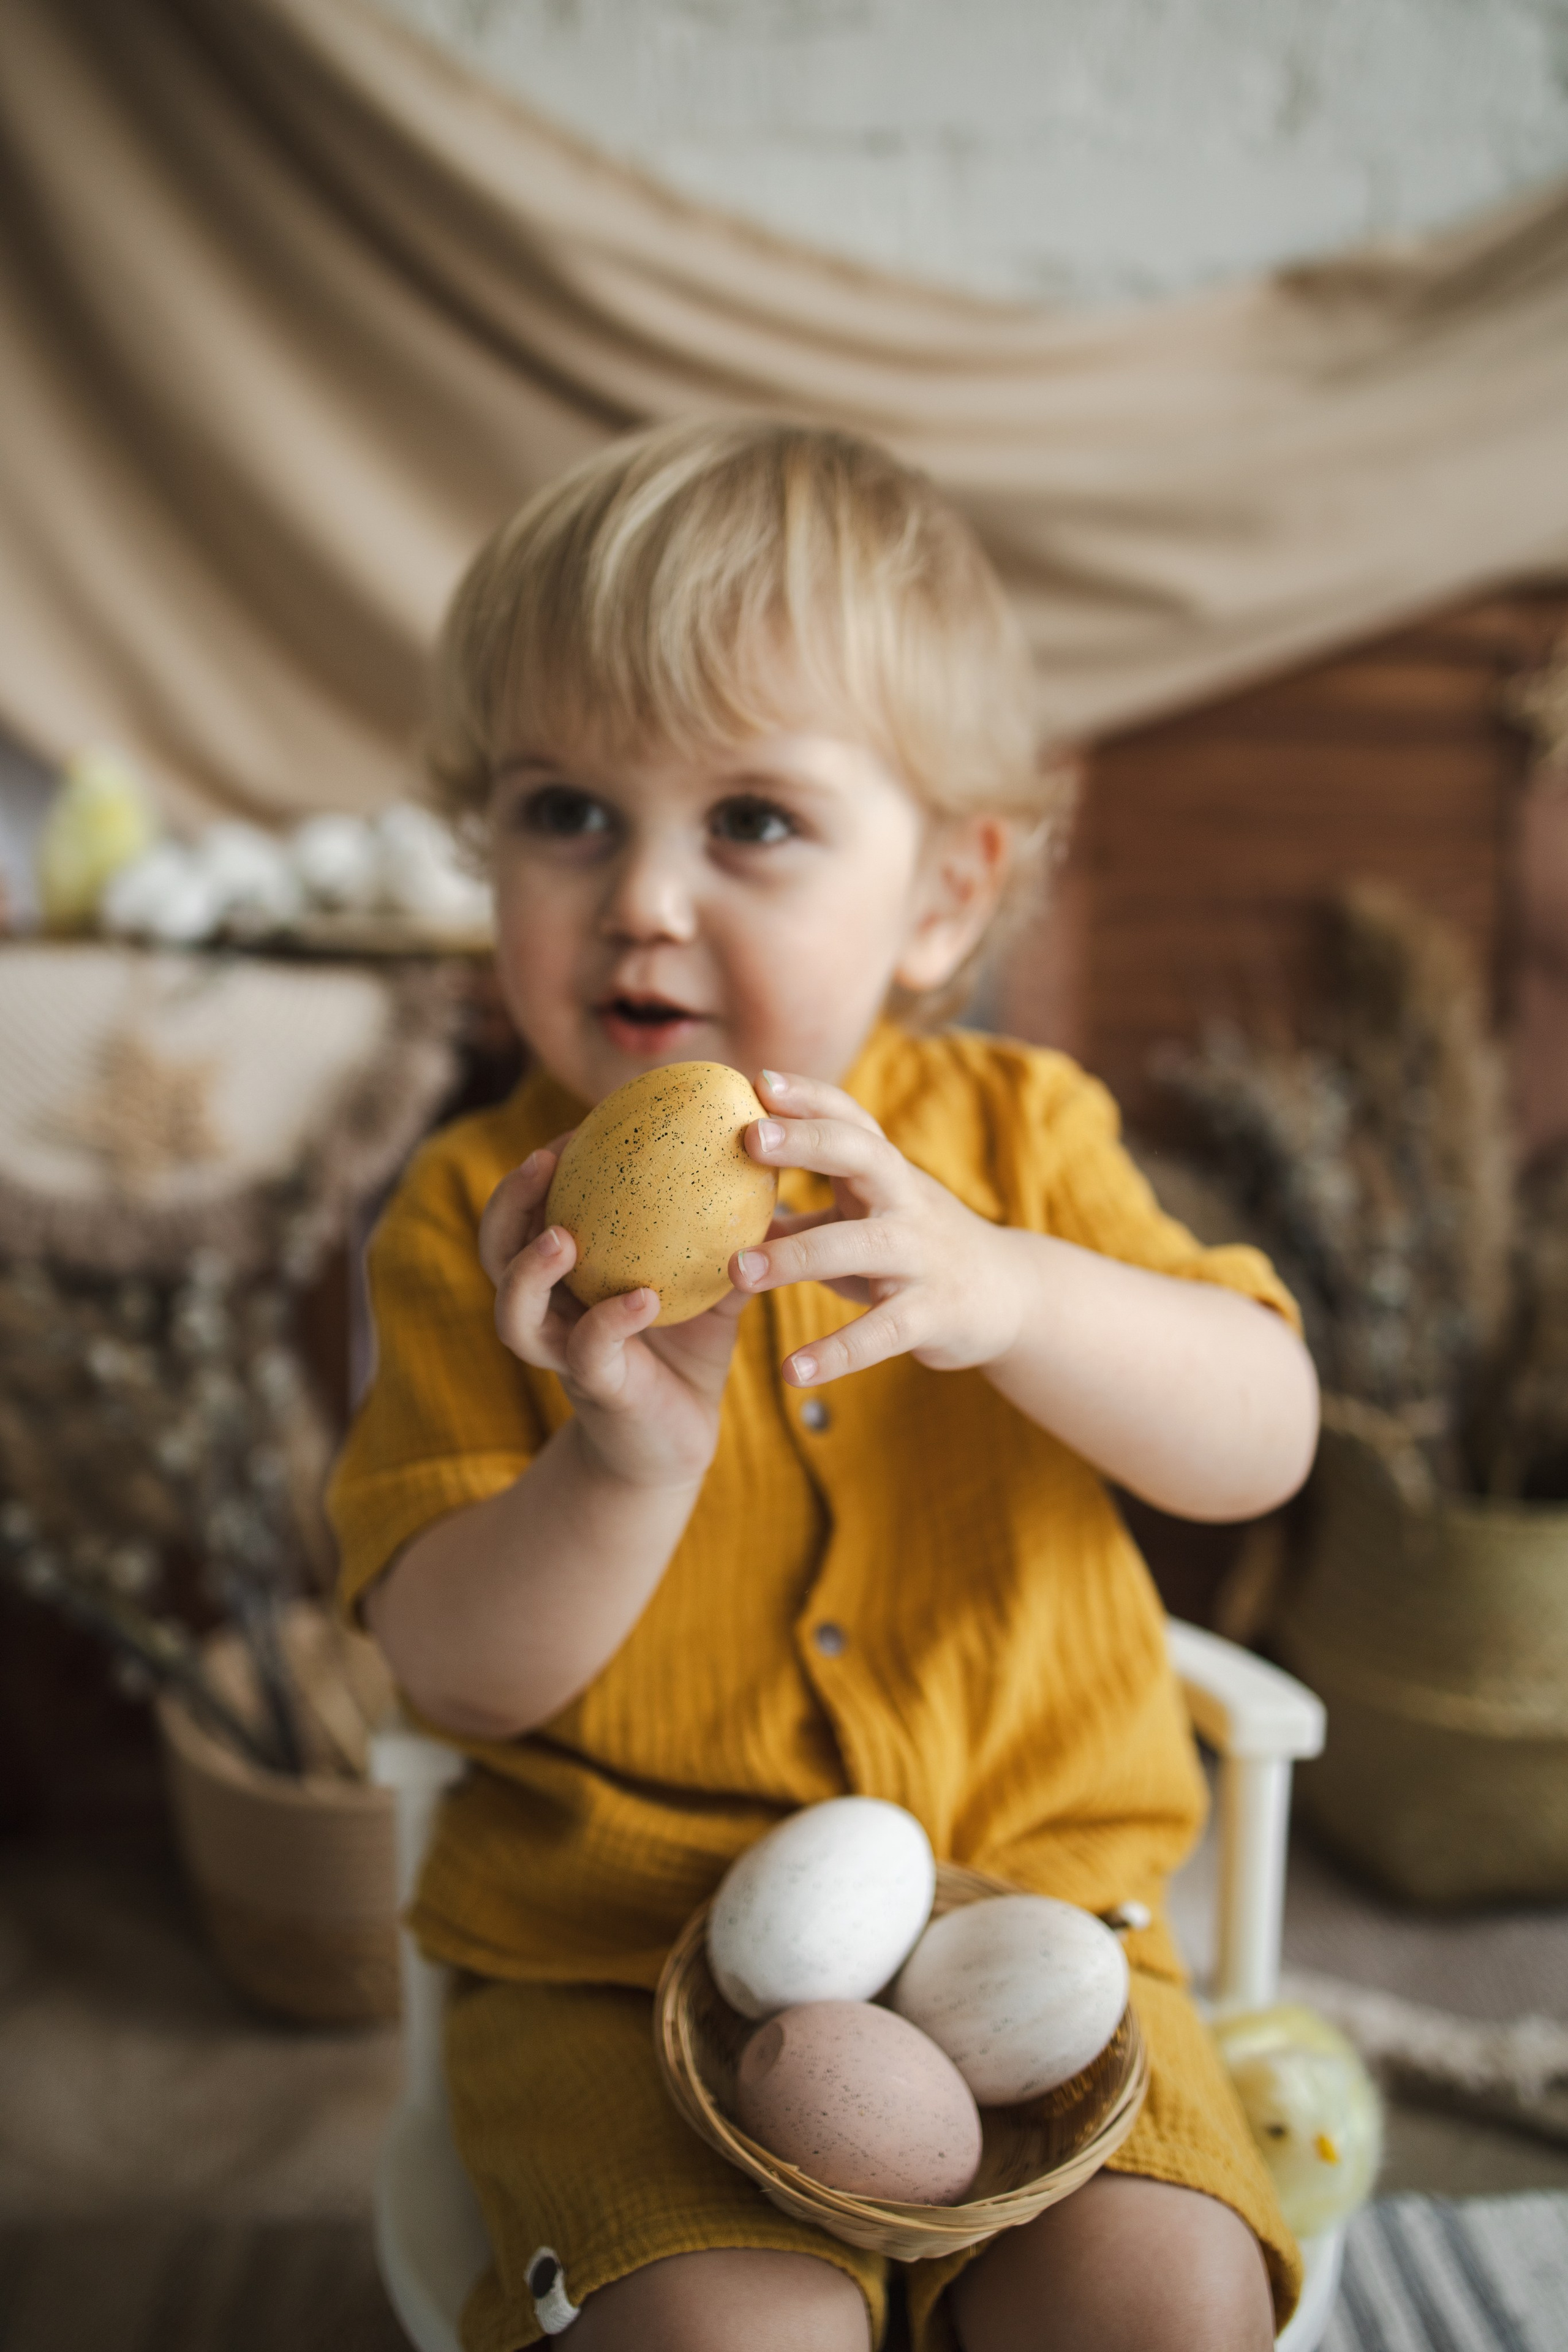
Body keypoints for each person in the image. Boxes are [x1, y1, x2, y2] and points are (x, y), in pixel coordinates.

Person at [330, 420, 1320, 2352]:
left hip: (1040, 1926)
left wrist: (1018, 1293)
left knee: (1167, 2300)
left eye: (753, 822)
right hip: (621, 1962)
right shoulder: (481, 1215)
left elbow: (1262, 1438)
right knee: (727, 2336)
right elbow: (447, 1671)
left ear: (945, 898)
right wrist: (618, 1469)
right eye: (565, 813)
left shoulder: (1026, 1139)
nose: (642, 900)